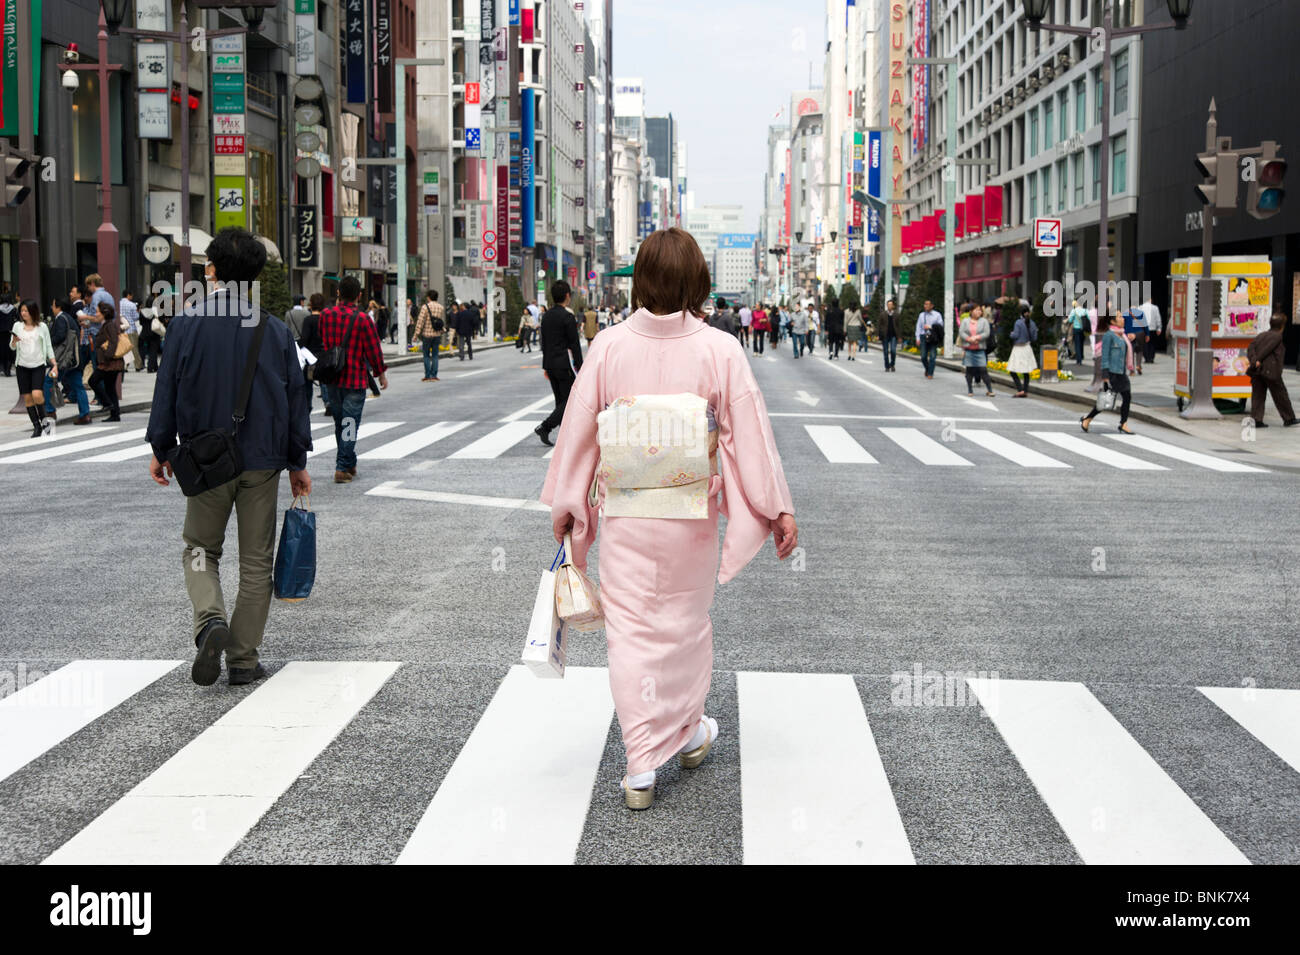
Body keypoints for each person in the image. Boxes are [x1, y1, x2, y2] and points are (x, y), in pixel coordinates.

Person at [541, 227, 797, 810]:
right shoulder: (719, 348)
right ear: (696, 281)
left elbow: (580, 436)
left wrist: (570, 504)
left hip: (628, 517)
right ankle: (685, 732)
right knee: (685, 624)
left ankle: (640, 765)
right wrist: (775, 506)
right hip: (689, 518)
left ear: (641, 279)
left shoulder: (608, 345)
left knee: (628, 634)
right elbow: (749, 436)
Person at [145, 226, 313, 688]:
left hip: (205, 457)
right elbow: (296, 396)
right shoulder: (275, 330)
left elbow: (168, 389)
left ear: (212, 271)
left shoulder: (186, 324)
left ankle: (209, 621)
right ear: (257, 275)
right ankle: (242, 658)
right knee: (257, 560)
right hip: (263, 459)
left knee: (200, 549)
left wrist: (162, 448)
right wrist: (297, 460)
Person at [320, 274, 389, 483]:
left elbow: (324, 343)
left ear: (338, 293)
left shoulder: (325, 315)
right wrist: (381, 375)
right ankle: (342, 466)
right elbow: (373, 350)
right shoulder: (362, 319)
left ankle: (349, 462)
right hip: (354, 379)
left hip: (332, 378)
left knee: (341, 423)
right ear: (359, 295)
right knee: (349, 424)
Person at [535, 280, 583, 446]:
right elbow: (574, 344)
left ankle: (565, 435)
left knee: (560, 400)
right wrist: (581, 367)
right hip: (564, 364)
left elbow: (544, 342)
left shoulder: (546, 316)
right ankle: (546, 426)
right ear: (567, 296)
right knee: (569, 400)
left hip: (550, 363)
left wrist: (545, 365)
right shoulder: (567, 317)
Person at [1080, 313, 1135, 434]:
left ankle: (1123, 423)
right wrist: (1105, 377)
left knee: (1127, 396)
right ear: (1113, 322)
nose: (1122, 319)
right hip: (1111, 373)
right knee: (1105, 400)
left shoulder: (1122, 335)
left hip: (1121, 372)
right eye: (1119, 317)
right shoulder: (1109, 336)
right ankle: (1087, 418)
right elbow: (1104, 357)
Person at [9, 299, 56, 437]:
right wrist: (13, 342)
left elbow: (48, 346)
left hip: (38, 366)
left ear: (33, 312)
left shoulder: (42, 327)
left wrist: (54, 364)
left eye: (26, 311)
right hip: (22, 366)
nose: (23, 313)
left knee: (37, 394)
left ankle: (46, 423)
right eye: (22, 311)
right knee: (28, 398)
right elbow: (11, 347)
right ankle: (37, 426)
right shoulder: (17, 326)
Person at [1246, 312, 1297, 428]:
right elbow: (1267, 349)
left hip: (1257, 371)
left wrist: (1254, 361)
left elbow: (1251, 347)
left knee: (1258, 395)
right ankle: (1289, 418)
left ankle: (1256, 419)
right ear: (1282, 326)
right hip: (1271, 371)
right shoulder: (1277, 336)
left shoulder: (1261, 335)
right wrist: (1258, 359)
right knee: (1280, 394)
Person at [46, 298, 91, 425]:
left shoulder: (61, 319)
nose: (51, 307)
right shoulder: (69, 318)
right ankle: (85, 414)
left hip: (63, 360)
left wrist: (49, 342)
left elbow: (60, 336)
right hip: (74, 359)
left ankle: (50, 411)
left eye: (53, 304)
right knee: (78, 385)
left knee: (48, 381)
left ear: (58, 306)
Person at [89, 301, 124, 421]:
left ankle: (107, 403)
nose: (96, 314)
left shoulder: (109, 325)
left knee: (93, 381)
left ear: (104, 313)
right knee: (110, 388)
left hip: (110, 364)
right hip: (110, 363)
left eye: (97, 312)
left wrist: (107, 356)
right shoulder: (106, 324)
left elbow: (114, 341)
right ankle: (115, 414)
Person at [960, 305, 995, 398]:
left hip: (980, 349)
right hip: (969, 349)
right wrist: (969, 339)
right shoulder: (965, 321)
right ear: (971, 311)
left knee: (983, 369)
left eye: (980, 310)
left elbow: (986, 333)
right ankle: (970, 389)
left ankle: (990, 390)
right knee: (969, 370)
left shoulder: (984, 321)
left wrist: (977, 337)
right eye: (976, 310)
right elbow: (962, 332)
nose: (979, 312)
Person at [413, 290, 445, 381]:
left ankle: (427, 375)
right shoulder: (440, 307)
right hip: (437, 334)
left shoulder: (425, 307)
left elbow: (420, 322)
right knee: (435, 355)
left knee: (426, 355)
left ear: (428, 297)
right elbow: (440, 322)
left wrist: (416, 334)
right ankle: (434, 375)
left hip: (427, 335)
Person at [1006, 306, 1038, 397]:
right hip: (1027, 348)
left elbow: (1015, 335)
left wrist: (1011, 334)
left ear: (1020, 313)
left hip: (1018, 348)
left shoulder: (1018, 322)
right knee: (1026, 371)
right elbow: (1035, 338)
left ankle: (1020, 390)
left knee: (1012, 370)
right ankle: (1025, 390)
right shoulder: (1032, 323)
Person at [915, 299, 943, 378]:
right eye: (925, 304)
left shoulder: (937, 315)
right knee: (923, 356)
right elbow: (918, 327)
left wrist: (930, 327)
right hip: (923, 336)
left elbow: (940, 326)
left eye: (927, 304)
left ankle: (930, 373)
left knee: (932, 356)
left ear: (932, 306)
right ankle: (927, 369)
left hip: (933, 337)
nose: (926, 306)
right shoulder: (921, 315)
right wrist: (917, 338)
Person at [118, 290, 143, 373]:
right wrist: (138, 312)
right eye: (131, 295)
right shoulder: (132, 305)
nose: (132, 297)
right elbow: (136, 317)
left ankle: (125, 366)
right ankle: (138, 365)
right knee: (134, 348)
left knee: (124, 349)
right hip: (131, 328)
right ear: (128, 295)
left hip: (122, 329)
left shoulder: (118, 303)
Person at [1124, 305, 1147, 375]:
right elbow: (1145, 325)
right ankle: (1138, 365)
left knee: (1130, 352)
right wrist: (1147, 334)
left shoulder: (1125, 314)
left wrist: (1125, 334)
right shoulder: (1141, 313)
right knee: (1139, 351)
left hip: (1129, 334)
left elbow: (1123, 325)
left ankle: (1132, 370)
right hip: (1140, 334)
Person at [1141, 296, 1163, 363]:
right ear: (1150, 300)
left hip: (1143, 328)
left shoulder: (1140, 307)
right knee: (1152, 344)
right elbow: (1158, 318)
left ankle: (1146, 358)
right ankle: (1151, 358)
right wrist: (1159, 328)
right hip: (1153, 328)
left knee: (1145, 343)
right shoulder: (1155, 308)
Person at [0, 288, 15, 377]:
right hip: (10, 332)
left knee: (2, 350)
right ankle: (8, 370)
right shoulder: (13, 309)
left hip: (1, 333)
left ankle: (3, 367)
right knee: (9, 351)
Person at [1068, 299, 1088, 365]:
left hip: (1076, 329)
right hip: (1083, 329)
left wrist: (1073, 320)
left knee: (1077, 344)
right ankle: (1082, 356)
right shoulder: (1085, 310)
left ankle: (1079, 360)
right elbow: (1089, 319)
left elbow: (1070, 320)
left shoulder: (1074, 311)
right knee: (1082, 343)